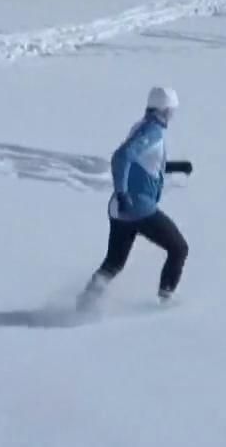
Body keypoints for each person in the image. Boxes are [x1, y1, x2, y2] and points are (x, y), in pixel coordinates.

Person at [82, 87, 192, 307]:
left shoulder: (141, 126)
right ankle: (166, 298)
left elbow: (144, 163)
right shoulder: (152, 131)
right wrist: (123, 194)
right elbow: (121, 157)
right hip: (137, 207)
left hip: (120, 208)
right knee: (179, 248)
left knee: (114, 263)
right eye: (172, 110)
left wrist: (174, 166)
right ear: (165, 109)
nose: (173, 115)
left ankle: (85, 302)